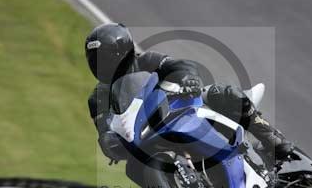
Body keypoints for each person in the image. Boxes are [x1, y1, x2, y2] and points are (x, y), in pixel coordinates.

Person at [85, 23, 293, 163]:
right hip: (148, 135)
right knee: (137, 167)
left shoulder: (146, 61)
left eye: (105, 57)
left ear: (124, 51)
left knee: (224, 93)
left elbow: (178, 65)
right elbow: (104, 131)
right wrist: (111, 145)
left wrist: (187, 78)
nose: (101, 64)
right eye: (95, 59)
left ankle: (271, 139)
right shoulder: (98, 98)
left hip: (182, 105)